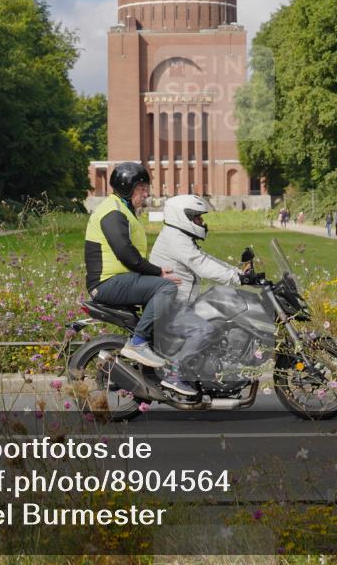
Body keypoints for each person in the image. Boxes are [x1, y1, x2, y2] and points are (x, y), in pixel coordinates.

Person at [85, 162, 181, 368]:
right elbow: (126, 254)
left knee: (161, 303)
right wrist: (158, 273)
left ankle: (165, 360)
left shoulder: (121, 209)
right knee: (166, 287)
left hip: (117, 280)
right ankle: (138, 343)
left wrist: (157, 272)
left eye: (146, 188)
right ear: (126, 187)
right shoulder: (112, 212)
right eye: (141, 188)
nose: (146, 193)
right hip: (106, 284)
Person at [150, 195, 244, 396]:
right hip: (171, 306)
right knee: (204, 330)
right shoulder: (176, 239)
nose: (202, 222)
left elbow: (204, 258)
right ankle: (175, 375)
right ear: (184, 217)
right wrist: (237, 279)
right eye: (198, 218)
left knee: (220, 320)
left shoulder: (178, 237)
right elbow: (201, 266)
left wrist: (239, 272)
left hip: (179, 303)